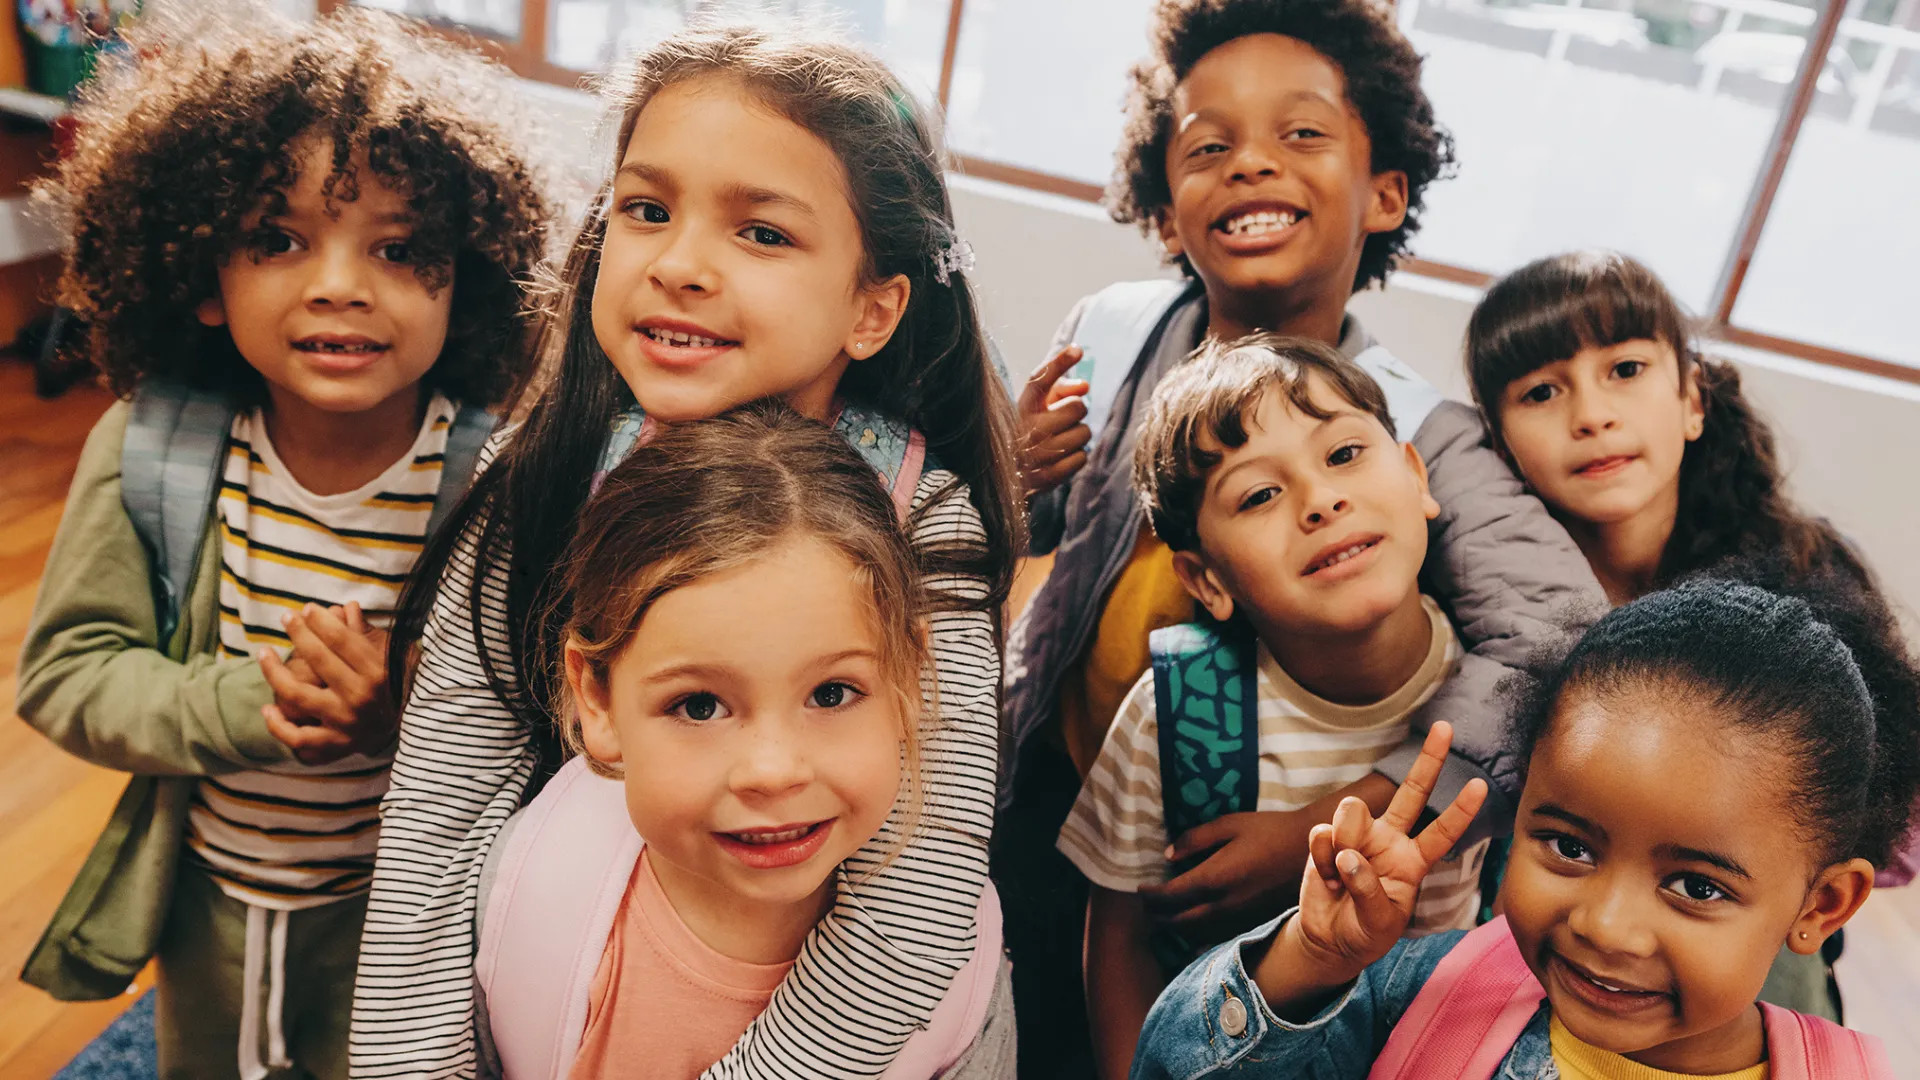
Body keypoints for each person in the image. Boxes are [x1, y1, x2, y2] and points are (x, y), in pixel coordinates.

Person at [353, 23, 1023, 1080]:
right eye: (647, 210)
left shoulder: (924, 525)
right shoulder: (543, 487)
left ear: (873, 306)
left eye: (762, 233)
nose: (679, 265)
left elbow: (917, 900)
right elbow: (435, 828)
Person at [996, 0, 1603, 1067]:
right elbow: (1052, 530)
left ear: (1384, 192)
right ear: (1164, 200)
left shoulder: (1418, 426)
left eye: (1304, 133)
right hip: (1071, 810)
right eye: (1208, 144)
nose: (1251, 165)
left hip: (1304, 864)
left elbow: (1556, 633)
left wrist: (1354, 812)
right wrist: (1009, 472)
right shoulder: (1111, 330)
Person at [14, 6, 549, 1077]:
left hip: (399, 923)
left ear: (468, 278)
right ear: (206, 278)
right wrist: (252, 705)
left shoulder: (490, 481)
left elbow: (536, 724)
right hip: (206, 905)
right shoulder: (153, 450)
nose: (340, 282)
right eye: (278, 239)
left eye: (398, 248)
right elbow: (66, 678)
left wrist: (400, 716)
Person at [1134, 573, 1916, 1079]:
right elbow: (1174, 1065)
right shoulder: (1420, 991)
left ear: (1821, 907)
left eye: (1694, 886)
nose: (1607, 926)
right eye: (1570, 846)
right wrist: (1310, 959)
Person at [472, 405, 1013, 1079]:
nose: (772, 770)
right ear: (598, 701)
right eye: (699, 705)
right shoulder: (522, 892)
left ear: (911, 680)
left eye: (832, 693)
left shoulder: (959, 972)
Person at [1465, 248, 1920, 1011]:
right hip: (1550, 934)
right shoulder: (1488, 595)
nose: (1592, 414)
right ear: (1500, 440)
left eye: (1627, 370)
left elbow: (1882, 823)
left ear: (1692, 400)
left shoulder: (1802, 581)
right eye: (1542, 391)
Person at [1055, 334, 1492, 1078]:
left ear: (1417, 476)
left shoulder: (1495, 696)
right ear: (1207, 578)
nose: (1321, 501)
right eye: (1260, 494)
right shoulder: (1178, 710)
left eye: (1345, 454)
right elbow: (1122, 936)